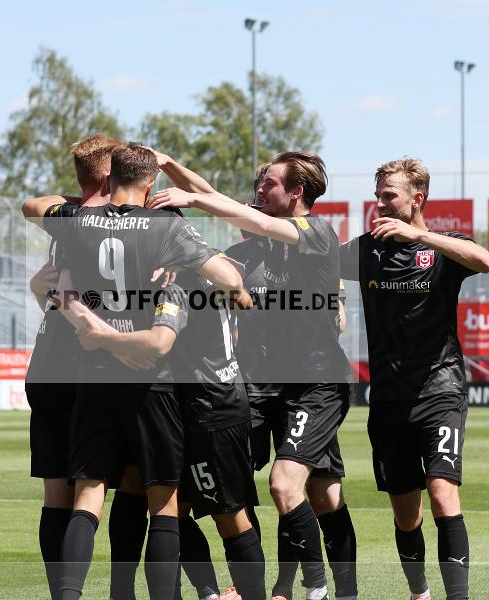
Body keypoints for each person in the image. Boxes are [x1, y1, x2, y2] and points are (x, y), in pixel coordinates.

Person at [26, 143, 247, 600]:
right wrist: (194, 261)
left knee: (88, 495)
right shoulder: (164, 225)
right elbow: (228, 280)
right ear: (152, 186)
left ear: (109, 180)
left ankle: (67, 596)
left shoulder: (78, 222)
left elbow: (44, 251)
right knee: (162, 502)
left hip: (95, 373)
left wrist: (92, 327)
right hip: (151, 375)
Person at [149, 152, 358, 600]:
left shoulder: (318, 233)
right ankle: (241, 589)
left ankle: (317, 587)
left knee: (304, 490)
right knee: (213, 492)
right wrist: (168, 166)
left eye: (269, 184)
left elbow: (227, 207)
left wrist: (196, 201)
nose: (259, 191)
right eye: (259, 184)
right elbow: (218, 202)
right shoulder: (253, 247)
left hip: (314, 383)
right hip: (257, 386)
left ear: (296, 193)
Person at [339, 157, 489, 600]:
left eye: (389, 196)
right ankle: (419, 593)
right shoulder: (367, 248)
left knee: (443, 494)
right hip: (388, 399)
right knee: (406, 514)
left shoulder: (443, 245)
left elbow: (484, 260)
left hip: (440, 390)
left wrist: (421, 235)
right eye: (378, 195)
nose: (380, 204)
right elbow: (317, 263)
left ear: (416, 198)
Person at [77, 267, 267, 600]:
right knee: (168, 510)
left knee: (229, 517)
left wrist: (102, 338)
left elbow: (160, 342)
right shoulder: (218, 265)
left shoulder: (176, 286)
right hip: (195, 403)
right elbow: (245, 301)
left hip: (210, 409)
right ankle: (204, 592)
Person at [23, 133, 122, 599]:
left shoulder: (66, 220)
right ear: (110, 175)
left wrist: (80, 194)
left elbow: (30, 204)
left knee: (54, 493)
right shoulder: (121, 223)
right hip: (91, 361)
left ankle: (58, 594)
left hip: (46, 362)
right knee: (92, 487)